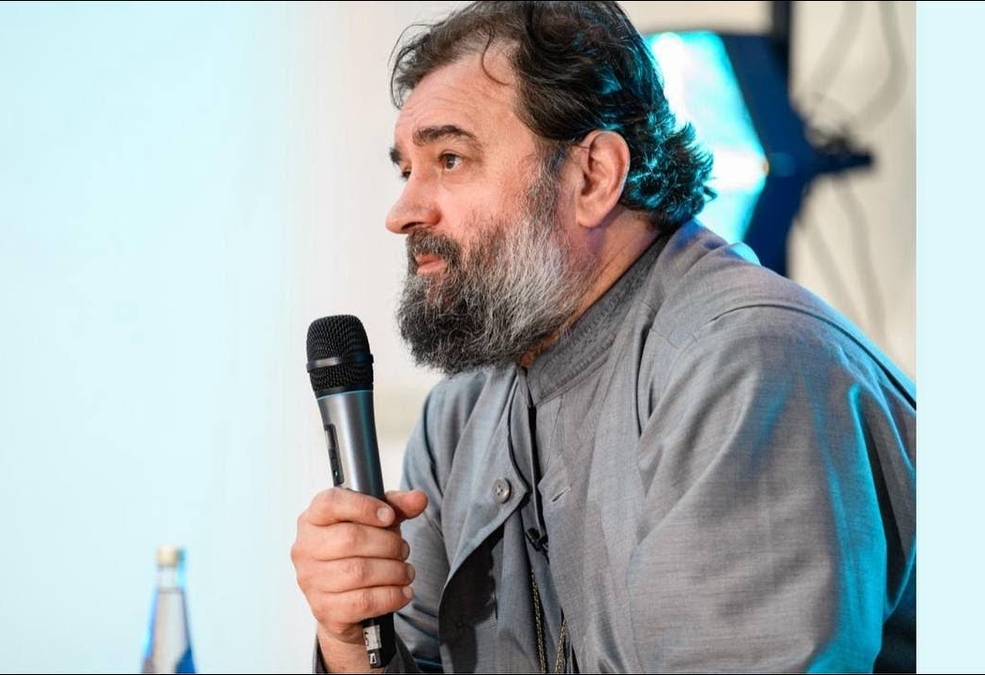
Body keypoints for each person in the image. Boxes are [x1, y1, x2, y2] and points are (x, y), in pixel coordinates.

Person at [289, 2, 916, 672]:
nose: (403, 211)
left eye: (450, 158)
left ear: (593, 176)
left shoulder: (746, 364)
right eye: (406, 170)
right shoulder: (460, 416)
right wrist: (350, 641)